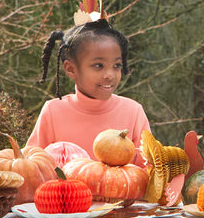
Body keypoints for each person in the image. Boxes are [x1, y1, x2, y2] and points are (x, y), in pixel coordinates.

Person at [27, 18, 149, 161]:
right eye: (98, 65)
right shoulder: (53, 112)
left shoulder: (133, 112)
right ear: (71, 69)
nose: (110, 75)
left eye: (116, 66)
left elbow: (149, 172)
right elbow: (32, 168)